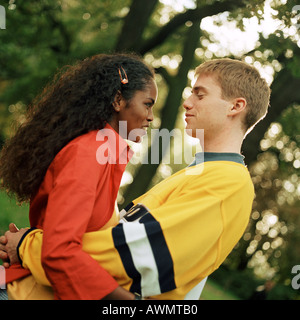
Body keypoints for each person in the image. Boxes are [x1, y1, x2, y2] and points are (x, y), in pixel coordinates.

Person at [0, 58, 270, 300]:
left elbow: (128, 259)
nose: (187, 102)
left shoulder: (228, 183)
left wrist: (28, 246)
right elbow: (114, 239)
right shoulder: (197, 173)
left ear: (236, 106)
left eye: (200, 95)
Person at [0, 53, 158, 300]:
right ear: (118, 100)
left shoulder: (105, 155)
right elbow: (59, 252)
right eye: (148, 104)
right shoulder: (89, 153)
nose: (150, 117)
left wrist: (26, 241)